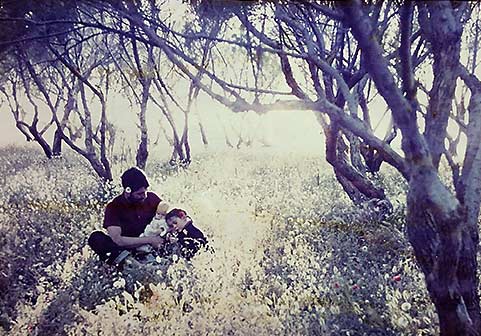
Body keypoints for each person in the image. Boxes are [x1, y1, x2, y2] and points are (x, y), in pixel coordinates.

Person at [88, 167, 166, 266]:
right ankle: (133, 266)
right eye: (140, 194)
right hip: (127, 248)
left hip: (153, 245)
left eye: (145, 191)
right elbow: (118, 240)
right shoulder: (114, 207)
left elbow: (168, 216)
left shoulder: (151, 198)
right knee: (96, 238)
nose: (144, 196)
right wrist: (150, 240)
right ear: (128, 191)